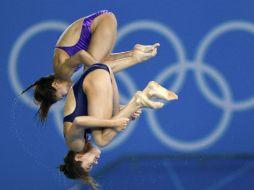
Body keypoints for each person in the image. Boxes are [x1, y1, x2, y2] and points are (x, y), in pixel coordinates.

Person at [22, 10, 160, 123]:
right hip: (103, 21)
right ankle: (136, 54)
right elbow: (103, 61)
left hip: (100, 22)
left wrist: (100, 72)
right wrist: (129, 54)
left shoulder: (62, 72)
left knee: (92, 74)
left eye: (61, 95)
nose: (66, 94)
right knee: (95, 73)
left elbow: (82, 55)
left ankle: (135, 59)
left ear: (56, 84)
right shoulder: (62, 71)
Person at [58, 62, 178, 189]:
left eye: (89, 165)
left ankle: (138, 101)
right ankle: (148, 93)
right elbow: (98, 108)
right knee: (111, 121)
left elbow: (79, 121)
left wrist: (113, 123)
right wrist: (125, 112)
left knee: (101, 140)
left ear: (78, 157)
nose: (96, 162)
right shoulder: (84, 140)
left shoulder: (75, 145)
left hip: (95, 77)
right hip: (103, 71)